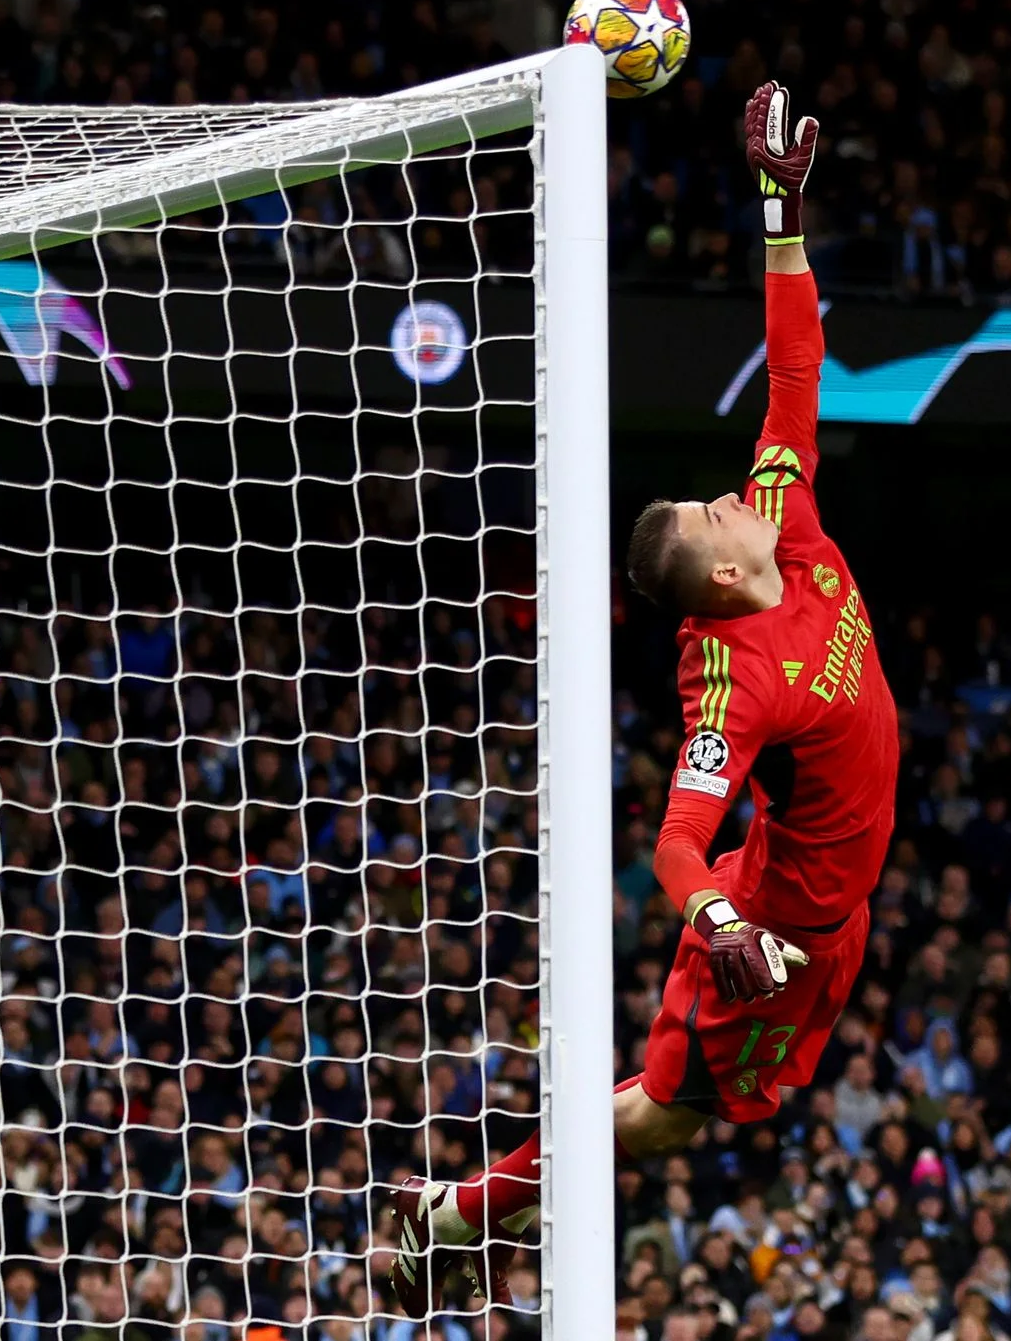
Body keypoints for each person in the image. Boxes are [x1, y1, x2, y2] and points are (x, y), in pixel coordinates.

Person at [384, 80, 899, 1316]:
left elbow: (792, 363)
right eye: (714, 512)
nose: (731, 495)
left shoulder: (786, 512)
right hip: (784, 919)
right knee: (662, 1126)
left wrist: (779, 211)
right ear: (726, 573)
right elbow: (673, 834)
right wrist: (721, 924)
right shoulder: (735, 679)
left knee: (665, 1120)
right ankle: (458, 1214)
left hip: (823, 893)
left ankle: (457, 1210)